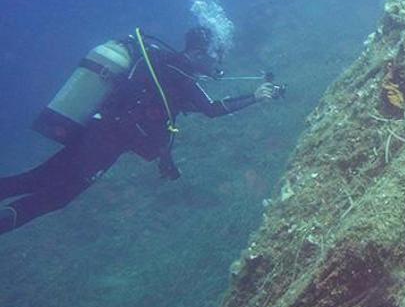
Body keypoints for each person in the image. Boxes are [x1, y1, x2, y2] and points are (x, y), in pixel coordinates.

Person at [0, 27, 280, 235]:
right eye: (214, 58)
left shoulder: (164, 69)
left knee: (37, 179)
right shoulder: (179, 73)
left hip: (98, 132)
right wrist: (255, 97)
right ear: (197, 53)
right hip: (106, 143)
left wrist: (165, 158)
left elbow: (170, 115)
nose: (217, 66)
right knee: (56, 195)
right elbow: (211, 109)